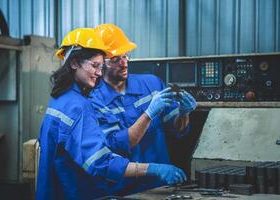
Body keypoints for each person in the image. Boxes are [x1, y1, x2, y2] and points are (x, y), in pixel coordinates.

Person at [36, 28, 187, 200]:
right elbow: (101, 162)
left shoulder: (60, 99)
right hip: (76, 192)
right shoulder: (79, 106)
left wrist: (184, 112)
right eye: (95, 65)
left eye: (100, 66)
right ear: (74, 63)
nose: (99, 72)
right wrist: (154, 168)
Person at [91, 24, 197, 194]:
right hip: (121, 189)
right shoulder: (95, 100)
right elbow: (120, 144)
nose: (124, 64)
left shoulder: (152, 84)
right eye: (116, 59)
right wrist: (148, 114)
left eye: (126, 56)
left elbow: (177, 130)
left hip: (159, 186)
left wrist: (184, 113)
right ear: (100, 64)